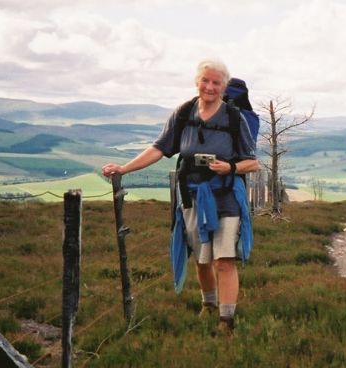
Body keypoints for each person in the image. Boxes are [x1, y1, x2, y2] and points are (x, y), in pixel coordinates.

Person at [102, 59, 259, 329]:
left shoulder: (235, 119)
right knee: (201, 259)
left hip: (225, 196)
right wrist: (124, 168)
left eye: (216, 82)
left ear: (223, 87)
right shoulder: (184, 113)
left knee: (224, 260)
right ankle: (208, 305)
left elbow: (253, 162)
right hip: (191, 195)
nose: (209, 87)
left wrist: (230, 167)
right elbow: (159, 148)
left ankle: (226, 321)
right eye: (205, 81)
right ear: (197, 82)